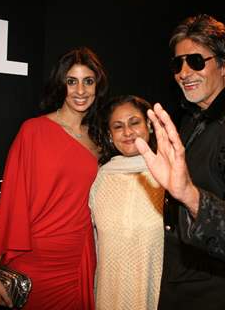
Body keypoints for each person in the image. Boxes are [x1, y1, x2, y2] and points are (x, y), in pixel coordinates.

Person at [134, 14, 225, 310]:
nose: (184, 73)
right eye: (178, 64)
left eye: (196, 61)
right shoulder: (196, 116)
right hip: (186, 283)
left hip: (220, 295)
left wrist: (189, 195)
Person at [0, 46, 108, 310]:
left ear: (98, 86)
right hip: (36, 257)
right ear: (60, 84)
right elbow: (9, 203)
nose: (81, 91)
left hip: (80, 257)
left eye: (88, 81)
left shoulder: (99, 139)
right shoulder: (33, 131)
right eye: (71, 81)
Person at [89, 95, 165, 310]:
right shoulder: (101, 178)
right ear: (110, 135)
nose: (128, 132)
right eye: (118, 126)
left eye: (135, 123)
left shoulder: (169, 176)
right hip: (110, 294)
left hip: (158, 293)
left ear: (149, 125)